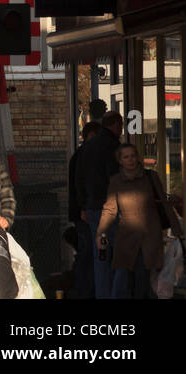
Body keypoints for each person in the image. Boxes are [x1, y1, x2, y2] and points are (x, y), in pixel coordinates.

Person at [98, 144, 183, 298]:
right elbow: (110, 210)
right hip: (127, 237)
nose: (130, 160)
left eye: (133, 155)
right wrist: (101, 233)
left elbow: (164, 204)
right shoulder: (116, 181)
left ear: (137, 157)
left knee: (143, 278)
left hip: (149, 235)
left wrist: (177, 230)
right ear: (120, 161)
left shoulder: (150, 177)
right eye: (126, 157)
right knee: (126, 279)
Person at [77, 111, 123, 299]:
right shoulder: (112, 147)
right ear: (116, 125)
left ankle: (103, 294)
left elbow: (78, 178)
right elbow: (115, 179)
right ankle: (118, 294)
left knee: (101, 255)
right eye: (121, 125)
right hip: (112, 211)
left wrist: (83, 206)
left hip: (94, 211)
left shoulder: (88, 148)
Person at [68, 121, 101, 298]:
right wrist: (84, 208)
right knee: (88, 251)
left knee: (86, 251)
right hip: (85, 213)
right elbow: (80, 186)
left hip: (82, 212)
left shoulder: (79, 156)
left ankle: (84, 289)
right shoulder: (86, 157)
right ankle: (85, 289)